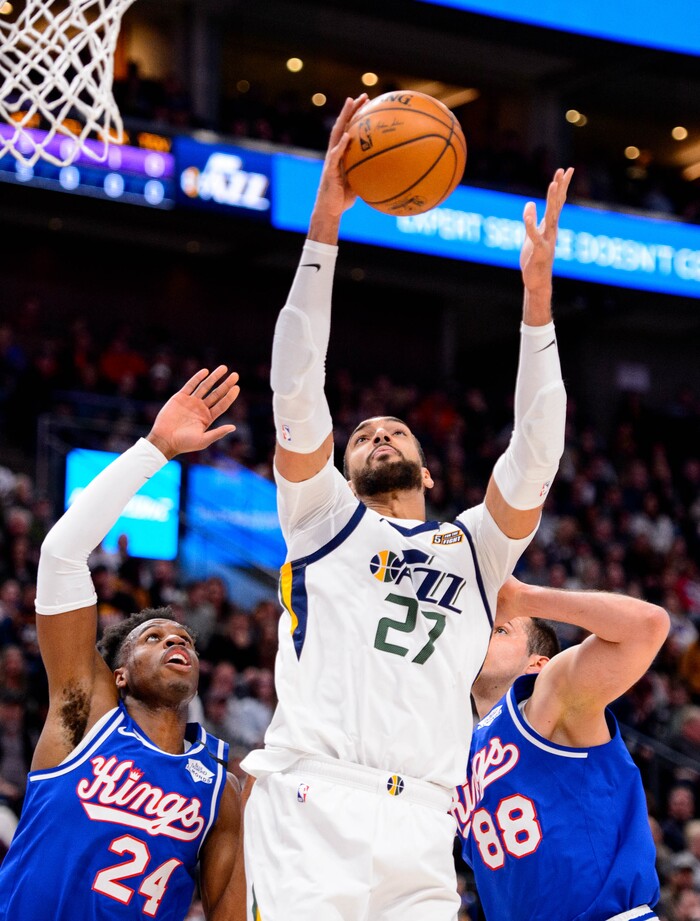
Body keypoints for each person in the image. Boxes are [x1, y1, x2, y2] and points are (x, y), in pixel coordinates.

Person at [241, 93, 572, 920]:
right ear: (345, 467)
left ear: (428, 471)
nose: (379, 433)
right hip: (313, 802)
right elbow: (295, 386)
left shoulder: (474, 549)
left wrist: (537, 304)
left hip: (425, 818)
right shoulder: (320, 518)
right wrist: (324, 224)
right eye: (363, 434)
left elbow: (537, 453)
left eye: (395, 431)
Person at [0, 366, 246, 921]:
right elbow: (61, 554)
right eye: (152, 637)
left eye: (183, 639)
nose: (174, 640)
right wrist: (156, 448)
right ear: (119, 674)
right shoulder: (84, 718)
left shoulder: (218, 788)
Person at [454, 576, 669, 921]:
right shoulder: (458, 754)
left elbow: (647, 625)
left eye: (501, 630)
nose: (482, 634)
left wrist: (522, 597)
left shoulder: (548, 699)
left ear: (538, 665)